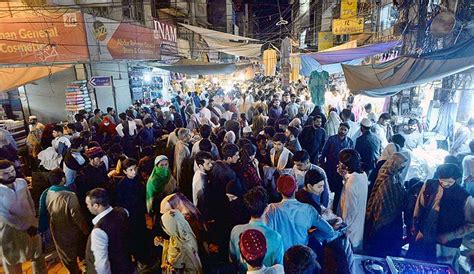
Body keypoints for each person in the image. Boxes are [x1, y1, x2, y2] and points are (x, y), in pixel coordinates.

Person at [409, 164, 474, 266]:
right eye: (441, 181)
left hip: (446, 245)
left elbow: (471, 224)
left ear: (457, 180)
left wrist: (450, 236)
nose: (444, 184)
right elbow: (419, 205)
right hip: (424, 235)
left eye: (449, 182)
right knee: (418, 264)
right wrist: (415, 223)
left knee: (440, 268)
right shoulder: (430, 184)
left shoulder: (465, 197)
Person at [264, 175, 335, 251]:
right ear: (296, 187)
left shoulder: (271, 209)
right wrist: (313, 236)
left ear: (278, 189)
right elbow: (330, 232)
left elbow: (267, 236)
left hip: (281, 257)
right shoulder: (309, 210)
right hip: (302, 256)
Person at [38, 168, 88, 274]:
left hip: (55, 227)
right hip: (72, 228)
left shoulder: (46, 193)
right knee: (76, 249)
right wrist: (85, 229)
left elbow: (42, 213)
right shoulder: (70, 195)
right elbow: (77, 215)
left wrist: (42, 229)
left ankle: (73, 270)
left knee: (65, 253)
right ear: (63, 179)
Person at [0, 160, 46, 274]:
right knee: (13, 262)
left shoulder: (21, 182)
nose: (11, 175)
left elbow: (30, 201)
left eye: (12, 171)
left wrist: (34, 220)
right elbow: (5, 215)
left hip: (31, 226)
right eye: (5, 173)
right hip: (9, 232)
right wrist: (26, 226)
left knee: (38, 256)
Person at [230, 187, 284, 273]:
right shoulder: (275, 237)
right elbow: (279, 266)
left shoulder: (235, 231)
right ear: (267, 208)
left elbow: (233, 259)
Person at [365, 153, 409, 257]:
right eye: (401, 165)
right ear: (395, 163)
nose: (402, 167)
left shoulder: (396, 176)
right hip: (383, 216)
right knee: (381, 243)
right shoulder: (387, 178)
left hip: (394, 217)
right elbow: (380, 198)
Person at [85, 188, 135, 273]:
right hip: (126, 265)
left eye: (88, 204)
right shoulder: (123, 212)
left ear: (96, 206)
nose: (87, 207)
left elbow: (102, 265)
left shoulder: (98, 231)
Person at [116, 158, 149, 267]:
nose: (134, 172)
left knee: (142, 235)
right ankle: (138, 258)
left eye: (135, 169)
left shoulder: (138, 180)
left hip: (139, 213)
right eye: (130, 170)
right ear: (125, 172)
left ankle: (144, 256)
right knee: (133, 237)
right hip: (130, 216)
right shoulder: (121, 185)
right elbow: (121, 202)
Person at [336, 149, 368, 252]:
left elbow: (349, 213)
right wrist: (344, 176)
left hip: (350, 231)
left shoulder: (351, 184)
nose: (339, 165)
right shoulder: (362, 175)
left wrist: (340, 228)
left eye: (340, 163)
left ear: (346, 166)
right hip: (357, 227)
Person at [154, 209, 203, 273]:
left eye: (166, 227)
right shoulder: (178, 235)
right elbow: (173, 247)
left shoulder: (186, 247)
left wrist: (174, 270)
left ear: (172, 227)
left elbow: (194, 270)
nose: (165, 230)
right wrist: (162, 242)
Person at [319, 122, 354, 210]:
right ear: (338, 128)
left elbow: (351, 157)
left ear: (347, 131)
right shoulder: (331, 139)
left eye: (344, 130)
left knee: (339, 190)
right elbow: (324, 152)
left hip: (342, 171)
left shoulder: (349, 142)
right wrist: (323, 165)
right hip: (330, 168)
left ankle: (335, 208)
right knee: (327, 188)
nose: (342, 131)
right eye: (341, 129)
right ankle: (323, 207)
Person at [146, 155, 178, 223]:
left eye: (166, 164)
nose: (164, 167)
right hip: (159, 206)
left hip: (170, 203)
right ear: (156, 166)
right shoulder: (153, 180)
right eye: (161, 165)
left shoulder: (168, 173)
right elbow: (152, 197)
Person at [174, 128, 193, 199]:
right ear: (185, 137)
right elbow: (180, 166)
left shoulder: (178, 143)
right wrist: (179, 182)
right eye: (189, 135)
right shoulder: (183, 149)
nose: (190, 136)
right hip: (184, 175)